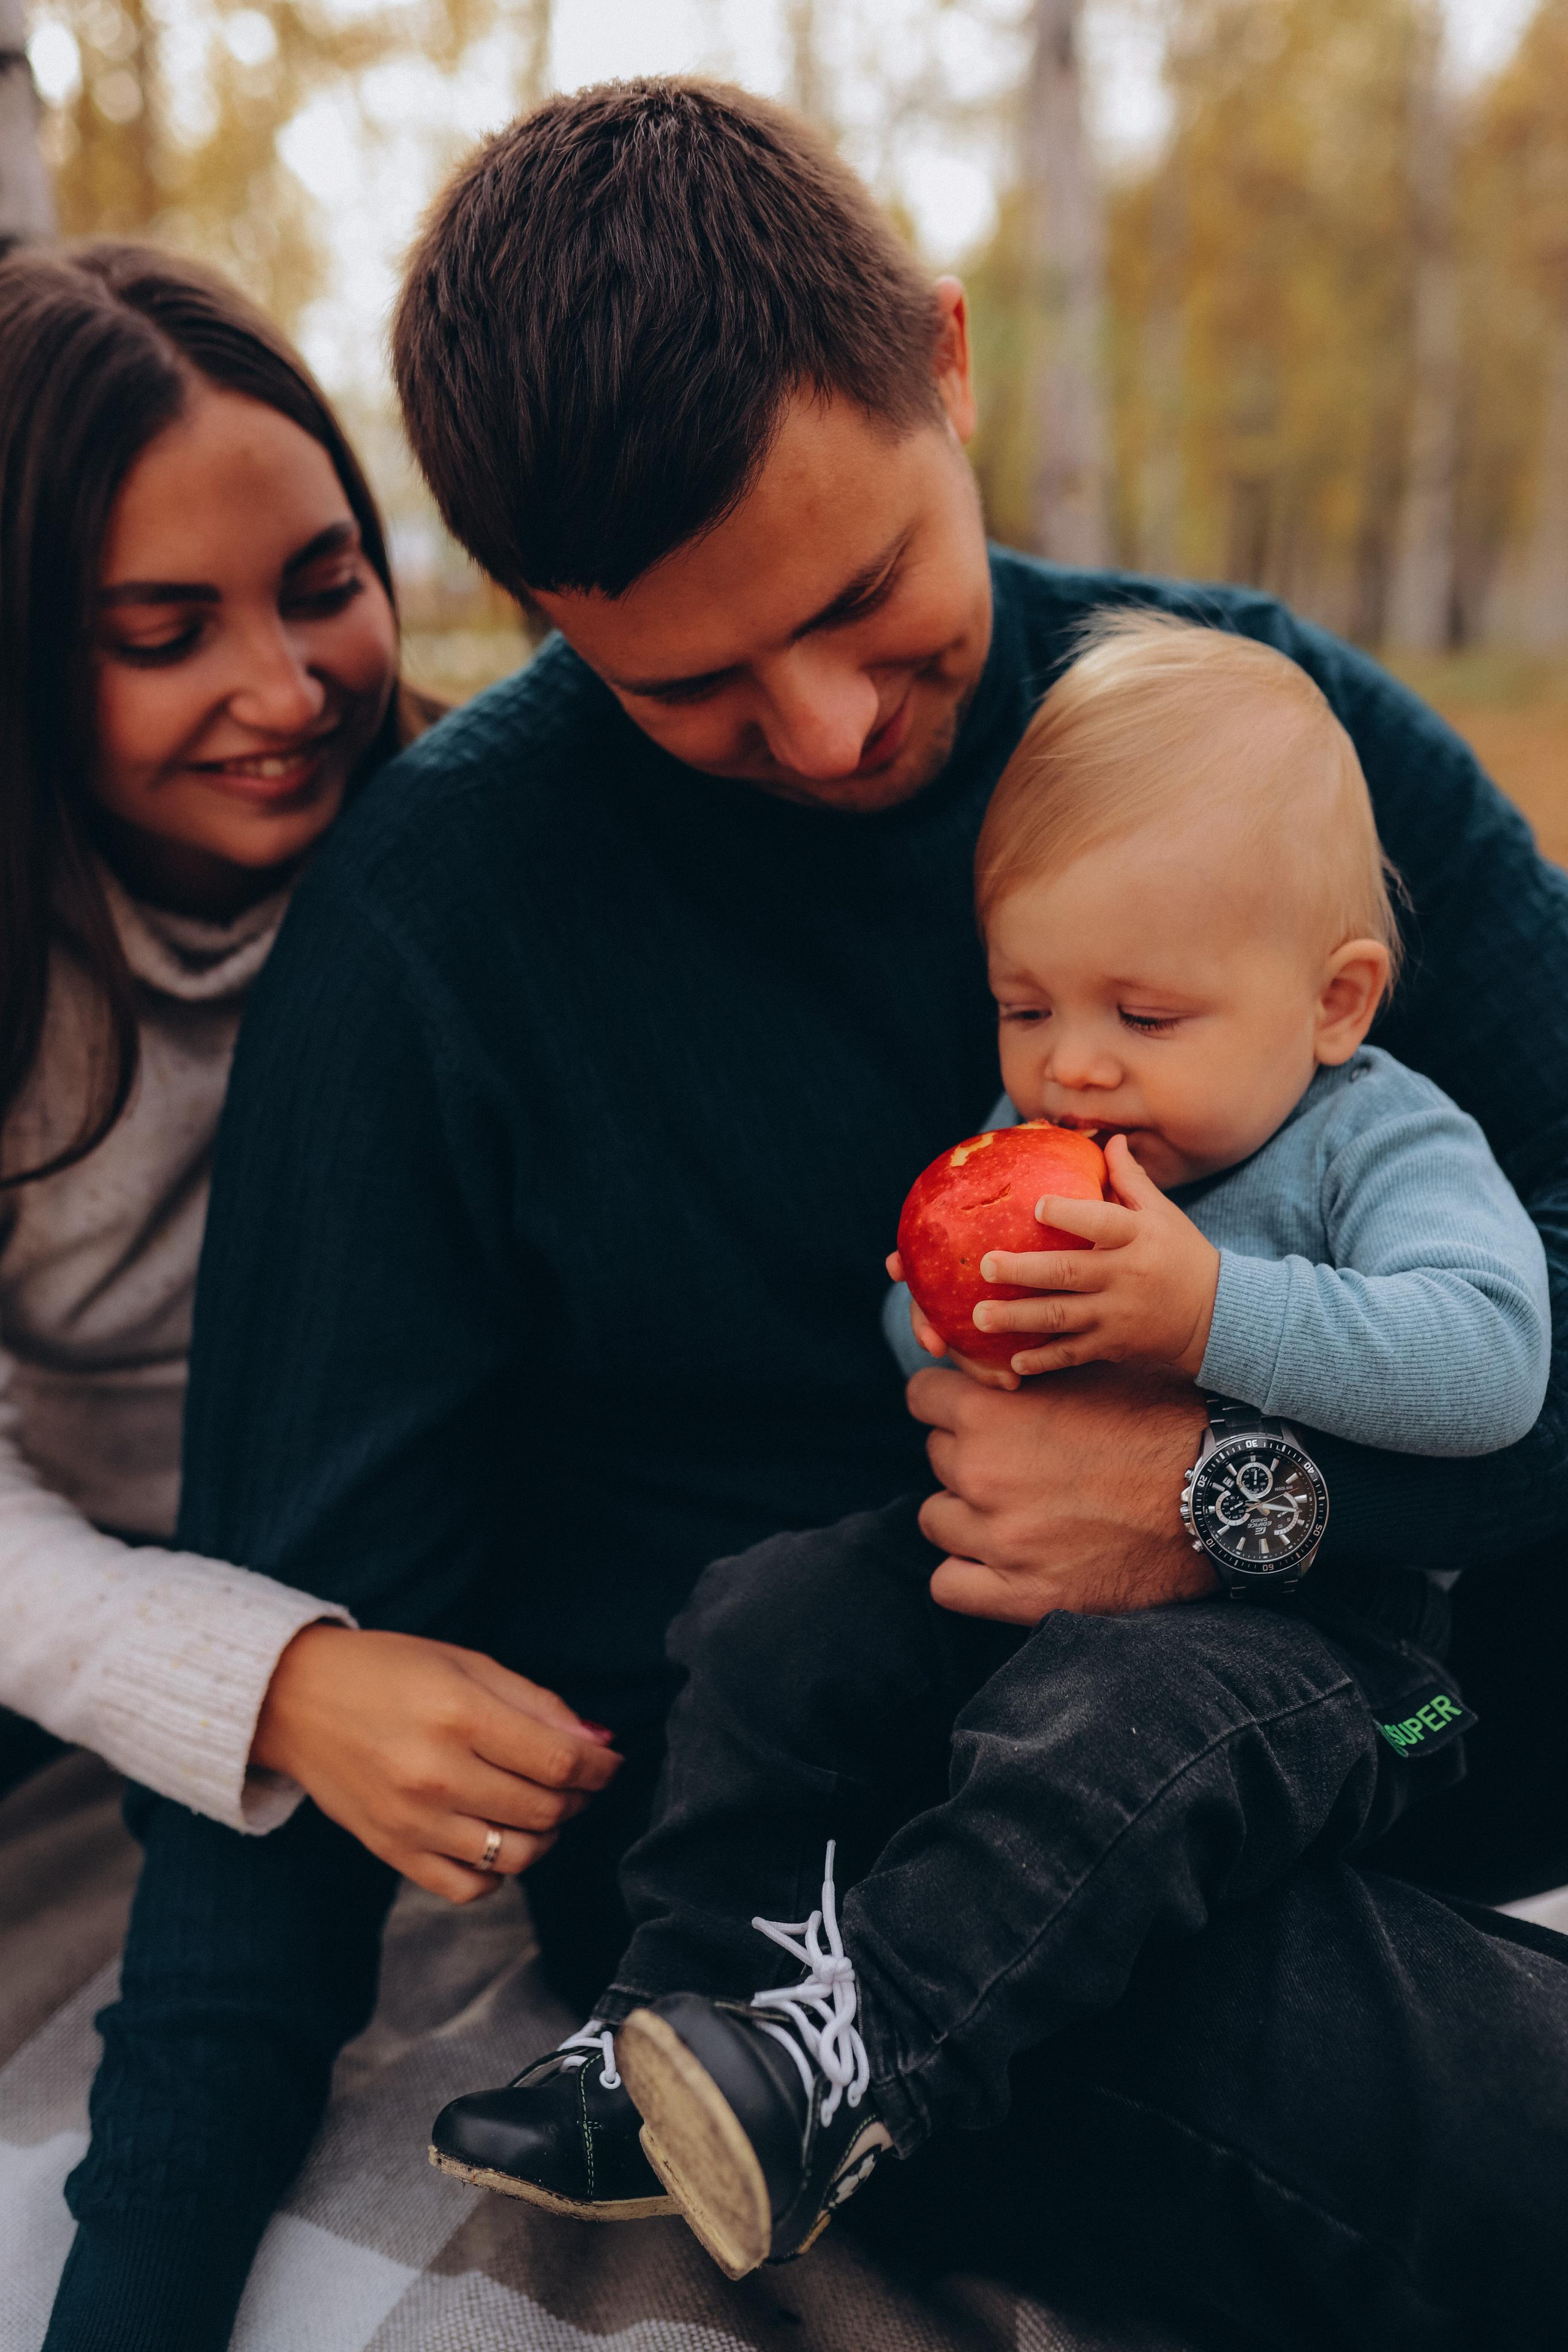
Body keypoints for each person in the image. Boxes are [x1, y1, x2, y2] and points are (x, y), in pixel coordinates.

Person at [43, 84, 1568, 2352]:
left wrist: (1232, 1500)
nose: (838, 725)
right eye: (690, 688)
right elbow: (296, 1664)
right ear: (539, 613)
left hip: (1388, 1709)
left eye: (867, 597)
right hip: (857, 1889)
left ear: (941, 363)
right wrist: (130, 2300)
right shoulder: (436, 938)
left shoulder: (1267, 757)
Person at [425, 614, 1554, 2292]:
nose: (1074, 1062)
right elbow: (947, 1372)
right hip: (1021, 1576)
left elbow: (1495, 1366)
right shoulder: (1077, 1139)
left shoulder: (1377, 1138)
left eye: (1145, 1013)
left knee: (1092, 1730)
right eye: (1028, 1003)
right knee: (769, 1617)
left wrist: (1205, 1311)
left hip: (1327, 1651)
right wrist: (945, 1314)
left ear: (1332, 1001)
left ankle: (862, 2061)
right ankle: (663, 2024)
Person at [0, 243, 619, 1887]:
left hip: (468, 1567)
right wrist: (274, 1681)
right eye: (165, 632)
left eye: (324, 585)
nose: (285, 689)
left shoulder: (476, 854)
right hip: (83, 1591)